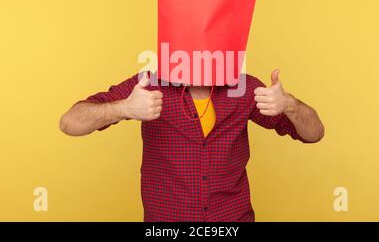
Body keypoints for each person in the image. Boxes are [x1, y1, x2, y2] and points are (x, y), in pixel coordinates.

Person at [59, 69, 324, 221]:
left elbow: (314, 133)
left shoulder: (245, 88)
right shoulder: (148, 85)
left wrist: (290, 104)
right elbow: (69, 123)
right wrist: (124, 107)